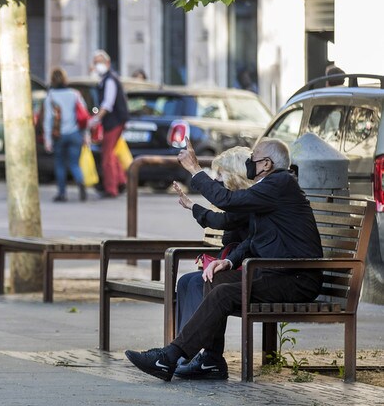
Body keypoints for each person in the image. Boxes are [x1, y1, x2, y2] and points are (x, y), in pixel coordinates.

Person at [125, 137, 324, 381]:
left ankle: (168, 357)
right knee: (216, 277)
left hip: (296, 277)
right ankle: (211, 360)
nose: (250, 163)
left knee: (223, 293)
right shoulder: (272, 188)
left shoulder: (280, 183)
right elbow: (254, 239)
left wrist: (195, 170)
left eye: (254, 159)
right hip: (274, 272)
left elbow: (227, 202)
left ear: (267, 164)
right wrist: (228, 262)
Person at [172, 146, 253, 336]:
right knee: (185, 281)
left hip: (252, 270)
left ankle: (198, 354)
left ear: (235, 176)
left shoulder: (248, 202)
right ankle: (180, 348)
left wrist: (193, 205)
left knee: (198, 284)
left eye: (220, 174)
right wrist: (191, 205)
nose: (216, 180)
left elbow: (221, 221)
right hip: (240, 267)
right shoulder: (238, 201)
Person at [43, 67, 88, 202]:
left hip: (59, 135)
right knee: (75, 163)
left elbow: (48, 119)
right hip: (75, 134)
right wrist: (86, 135)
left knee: (60, 164)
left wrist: (47, 140)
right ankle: (80, 181)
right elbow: (83, 115)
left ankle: (62, 194)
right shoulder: (75, 94)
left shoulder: (50, 96)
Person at [90, 50, 129, 198]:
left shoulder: (110, 80)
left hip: (114, 122)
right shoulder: (105, 80)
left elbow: (107, 104)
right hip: (114, 121)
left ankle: (111, 188)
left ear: (107, 63)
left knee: (107, 155)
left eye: (99, 62)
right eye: (95, 62)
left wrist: (95, 119)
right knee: (111, 154)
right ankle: (120, 181)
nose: (97, 65)